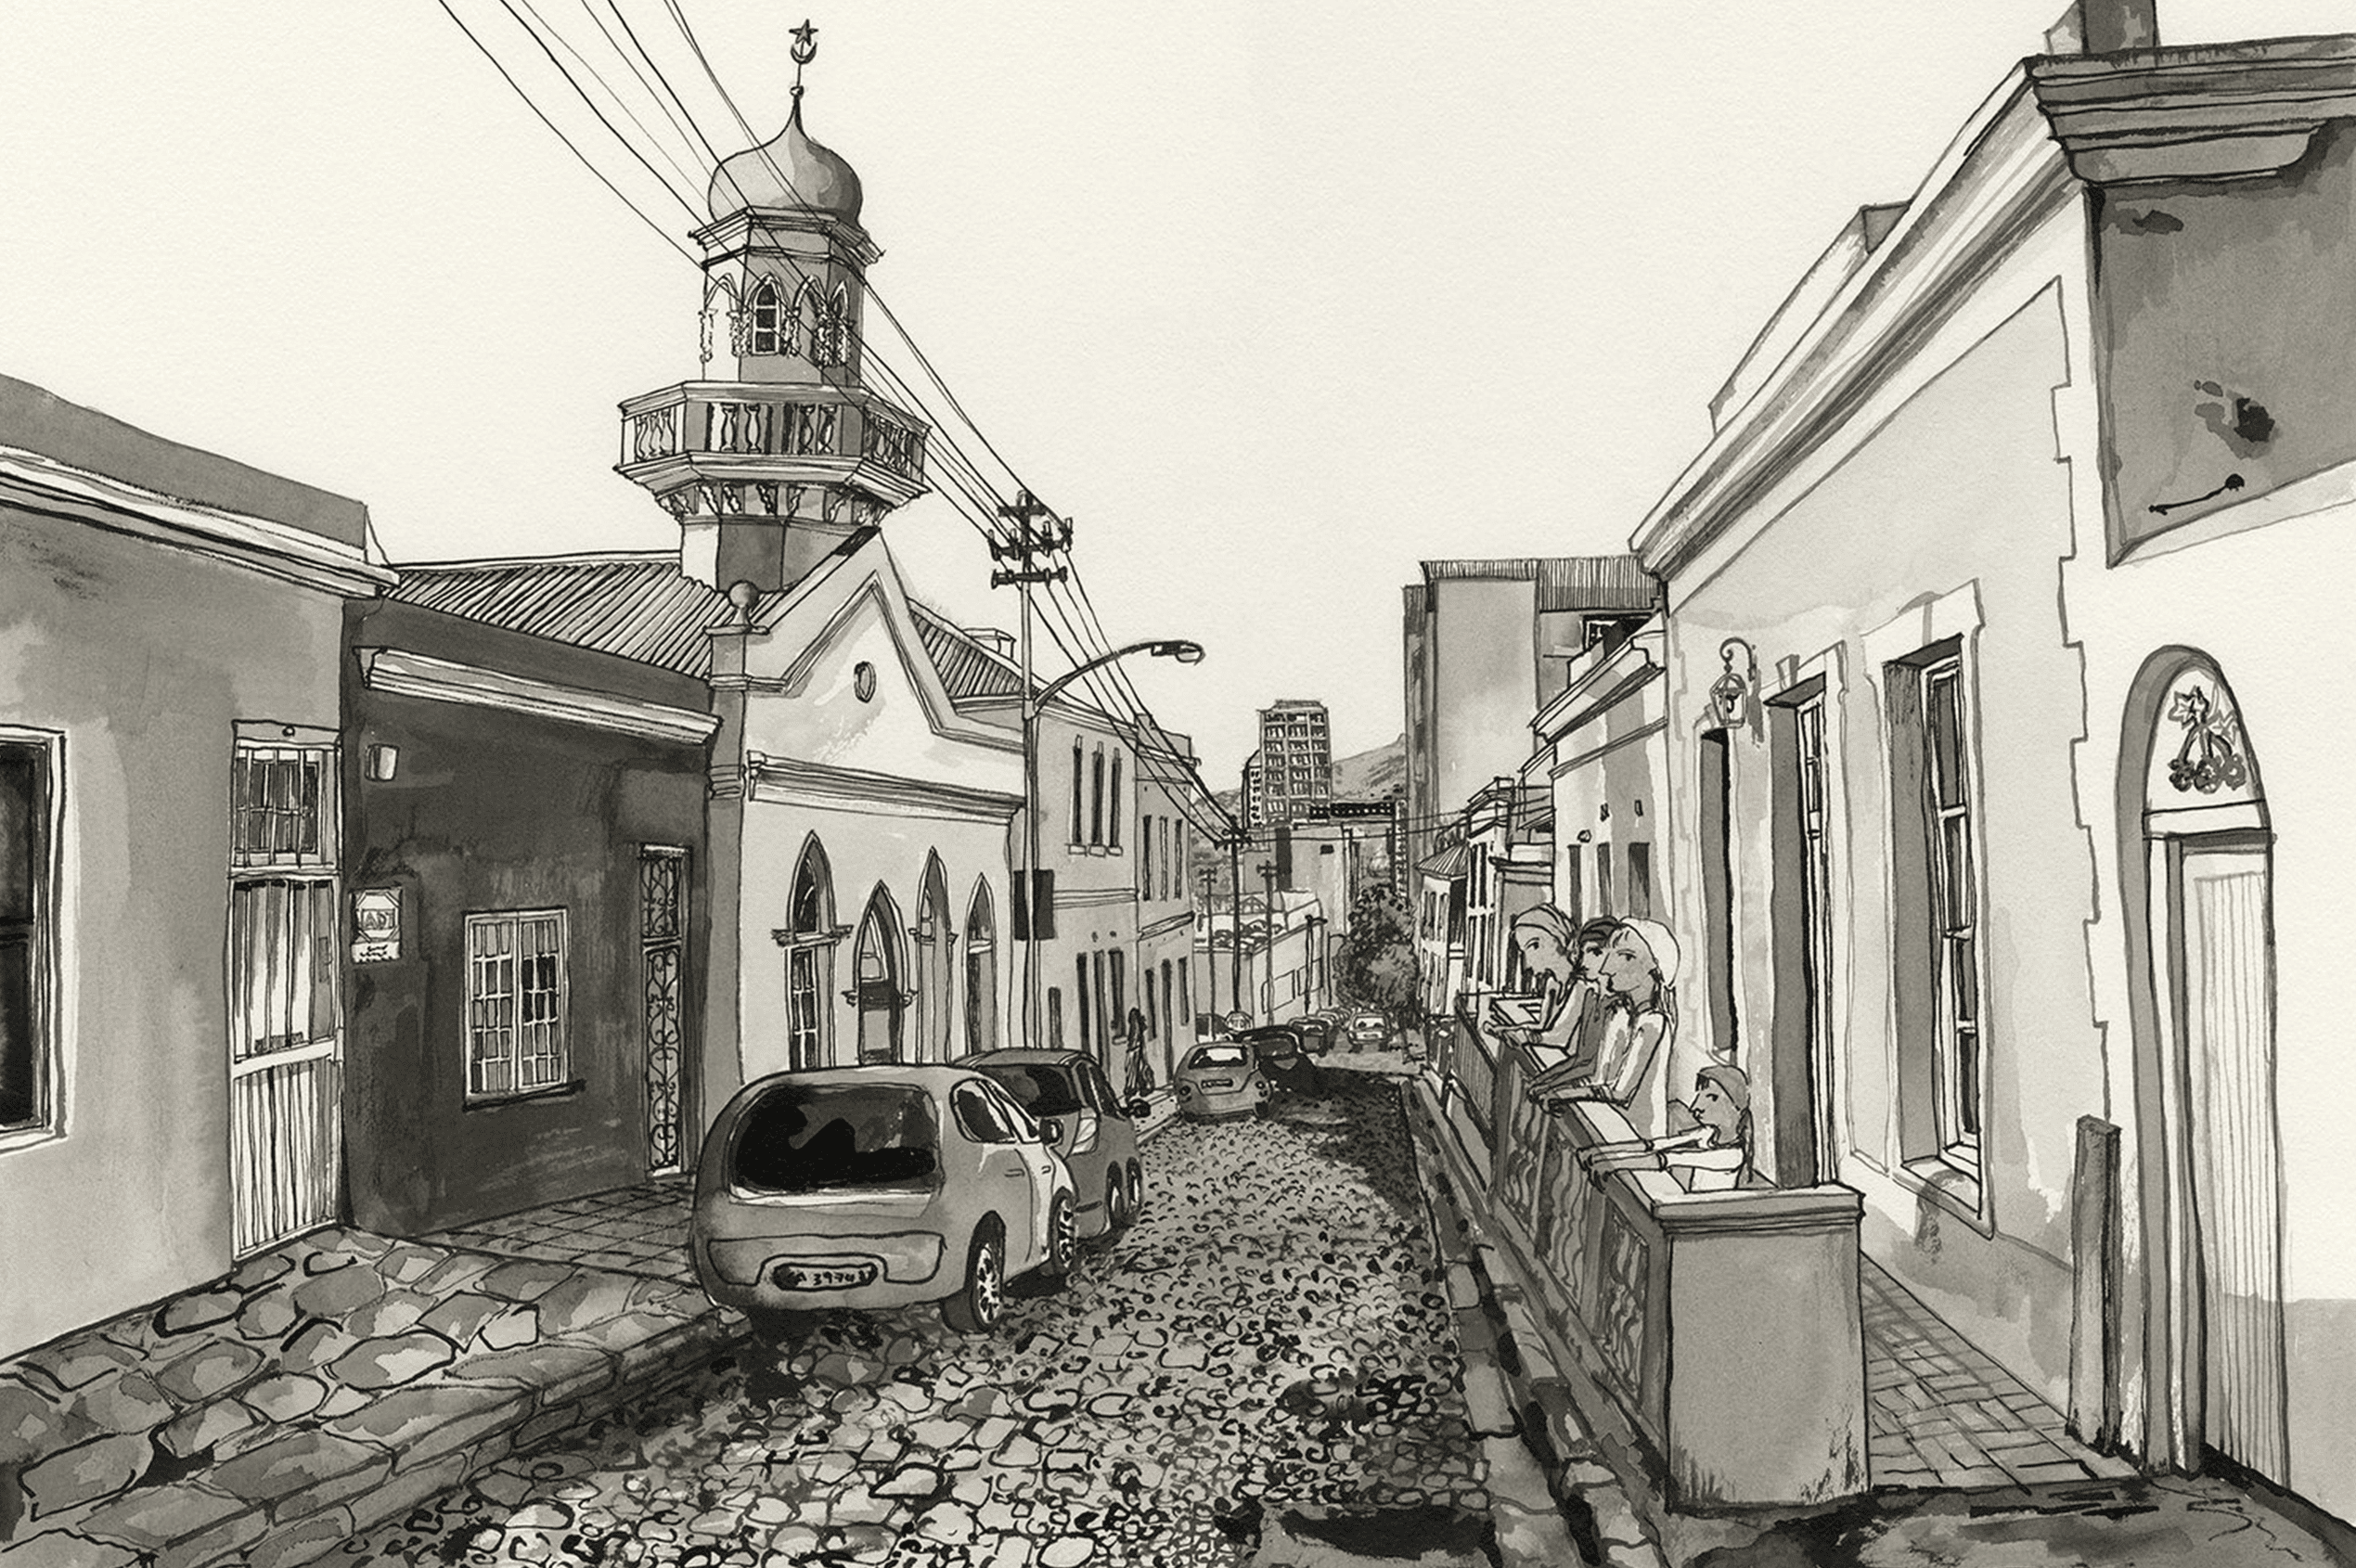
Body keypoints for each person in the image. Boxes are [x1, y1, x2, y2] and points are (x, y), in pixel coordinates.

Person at [1526, 918, 1680, 1138]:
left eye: (1626, 957)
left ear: (1653, 968)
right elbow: (1599, 1075)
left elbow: (1620, 1092)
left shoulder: (1654, 1023)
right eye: (1611, 953)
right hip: (1607, 1122)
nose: (1609, 967)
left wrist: (1561, 1094)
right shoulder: (1619, 1015)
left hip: (1637, 1134)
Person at [1579, 1063, 1757, 1191]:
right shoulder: (1707, 1134)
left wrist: (1611, 1164)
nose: (1697, 1106)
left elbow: (1668, 1158)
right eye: (1701, 1095)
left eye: (1712, 1097)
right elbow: (1655, 1145)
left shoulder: (1732, 1155)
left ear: (1735, 1107)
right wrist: (1600, 1153)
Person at [1497, 912, 1617, 1076]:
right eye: (1524, 950)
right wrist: (1508, 1030)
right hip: (1560, 1062)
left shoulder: (1583, 986)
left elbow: (1559, 1036)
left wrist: (1522, 1035)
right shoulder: (1552, 984)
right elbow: (1542, 1027)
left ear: (1556, 941)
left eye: (1534, 946)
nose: (1527, 961)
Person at [1121, 1006, 1154, 1097]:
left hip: (1134, 1049)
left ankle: (1132, 1087)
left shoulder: (1135, 1027)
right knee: (1136, 1069)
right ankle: (1137, 1087)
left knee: (1132, 1069)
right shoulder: (1137, 1027)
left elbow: (1134, 1039)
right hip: (1135, 1049)